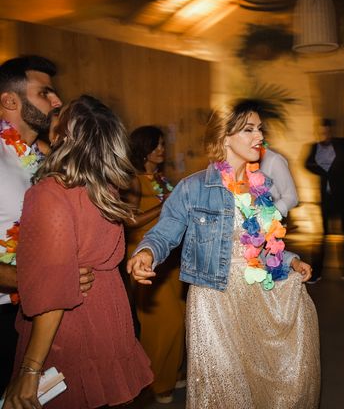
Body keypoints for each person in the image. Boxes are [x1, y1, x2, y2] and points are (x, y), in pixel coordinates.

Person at [127, 101, 320, 409]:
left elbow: (267, 241)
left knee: (258, 374)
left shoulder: (263, 188)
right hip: (213, 296)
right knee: (222, 381)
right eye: (248, 129)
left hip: (255, 294)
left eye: (260, 129)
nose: (259, 136)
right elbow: (166, 230)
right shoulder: (194, 187)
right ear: (224, 138)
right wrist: (147, 252)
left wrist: (290, 260)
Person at [3, 95, 152, 409]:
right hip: (110, 315)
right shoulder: (106, 189)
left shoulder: (50, 195)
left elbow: (52, 293)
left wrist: (30, 369)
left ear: (60, 138)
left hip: (70, 326)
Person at [0, 56, 93, 395]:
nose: (57, 102)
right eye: (45, 94)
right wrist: (36, 279)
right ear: (10, 100)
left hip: (42, 311)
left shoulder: (41, 158)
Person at [124, 126, 185, 404]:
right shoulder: (134, 180)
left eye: (163, 144)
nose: (162, 150)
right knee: (162, 322)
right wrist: (165, 205)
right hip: (143, 255)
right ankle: (151, 381)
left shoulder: (160, 178)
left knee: (179, 318)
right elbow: (129, 220)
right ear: (143, 148)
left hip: (167, 259)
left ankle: (169, 375)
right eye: (156, 145)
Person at [304, 118, 344, 283]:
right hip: (325, 197)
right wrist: (321, 172)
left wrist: (342, 174)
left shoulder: (340, 144)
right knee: (323, 235)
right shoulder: (314, 147)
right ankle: (316, 272)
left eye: (327, 131)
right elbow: (307, 163)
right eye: (321, 131)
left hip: (340, 195)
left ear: (331, 131)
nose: (324, 134)